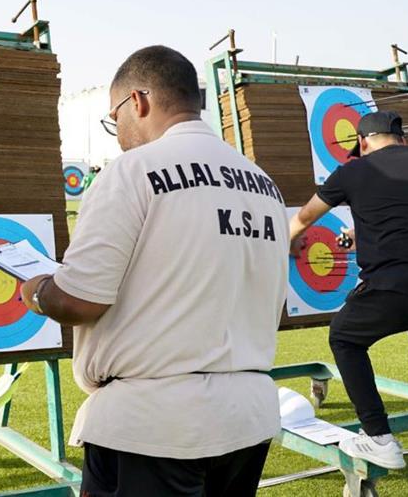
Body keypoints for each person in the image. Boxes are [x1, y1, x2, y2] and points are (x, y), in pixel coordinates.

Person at [20, 45, 288, 497]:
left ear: (138, 102)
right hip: (249, 417)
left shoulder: (132, 170)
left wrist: (38, 290)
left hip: (153, 424)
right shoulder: (262, 183)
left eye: (115, 118)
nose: (118, 134)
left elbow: (79, 299)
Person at [289, 110, 408, 470]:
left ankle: (379, 437)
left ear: (362, 143)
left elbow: (303, 218)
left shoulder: (353, 170)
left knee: (345, 337)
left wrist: (284, 244)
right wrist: (359, 233)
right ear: (404, 139)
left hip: (390, 287)